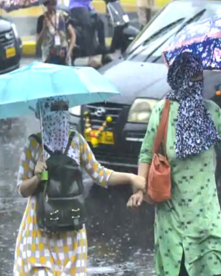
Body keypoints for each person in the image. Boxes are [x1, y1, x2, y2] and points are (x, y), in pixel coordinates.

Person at [127, 52, 221, 276]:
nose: (197, 83)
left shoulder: (210, 111)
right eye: (192, 78)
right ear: (180, 78)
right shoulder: (162, 112)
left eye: (199, 78)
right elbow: (146, 153)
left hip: (207, 222)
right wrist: (139, 187)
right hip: (172, 226)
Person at [14, 96, 146, 276]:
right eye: (53, 109)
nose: (58, 115)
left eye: (63, 108)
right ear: (42, 113)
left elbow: (100, 174)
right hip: (40, 229)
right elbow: (22, 189)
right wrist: (37, 176)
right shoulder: (33, 145)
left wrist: (130, 177)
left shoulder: (76, 141)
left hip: (71, 227)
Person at [68, 0, 110, 67]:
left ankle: (104, 53)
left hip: (87, 6)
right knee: (88, 25)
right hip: (77, 7)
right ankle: (90, 56)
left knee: (100, 23)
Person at [36, 0, 76, 64]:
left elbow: (73, 35)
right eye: (50, 2)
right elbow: (38, 42)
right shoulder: (42, 19)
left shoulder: (62, 16)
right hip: (48, 57)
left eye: (54, 1)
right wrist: (44, 29)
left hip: (63, 55)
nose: (52, 4)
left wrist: (69, 52)